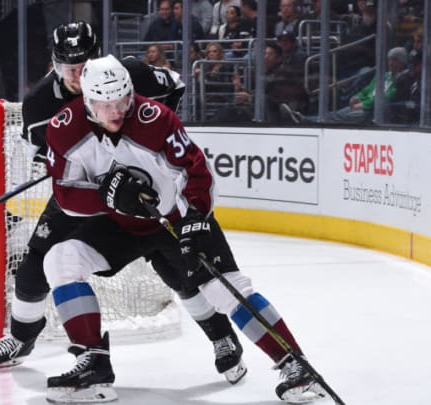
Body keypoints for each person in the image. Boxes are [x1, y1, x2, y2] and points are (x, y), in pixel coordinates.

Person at [41, 54, 324, 404]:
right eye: (106, 104)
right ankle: (93, 364)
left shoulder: (156, 119)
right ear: (87, 101)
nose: (116, 111)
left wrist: (195, 221)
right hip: (119, 226)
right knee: (60, 258)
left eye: (122, 101)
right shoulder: (64, 128)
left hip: (176, 218)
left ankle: (294, 364)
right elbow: (65, 195)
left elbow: (198, 174)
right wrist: (106, 197)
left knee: (224, 288)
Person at [0, 21, 247, 386]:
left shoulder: (130, 75)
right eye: (66, 66)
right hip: (87, 193)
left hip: (146, 191)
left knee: (177, 269)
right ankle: (22, 338)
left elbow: (175, 86)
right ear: (53, 64)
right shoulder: (39, 103)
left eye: (82, 64)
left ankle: (221, 337)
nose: (75, 74)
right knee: (36, 263)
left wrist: (155, 144)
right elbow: (48, 159)